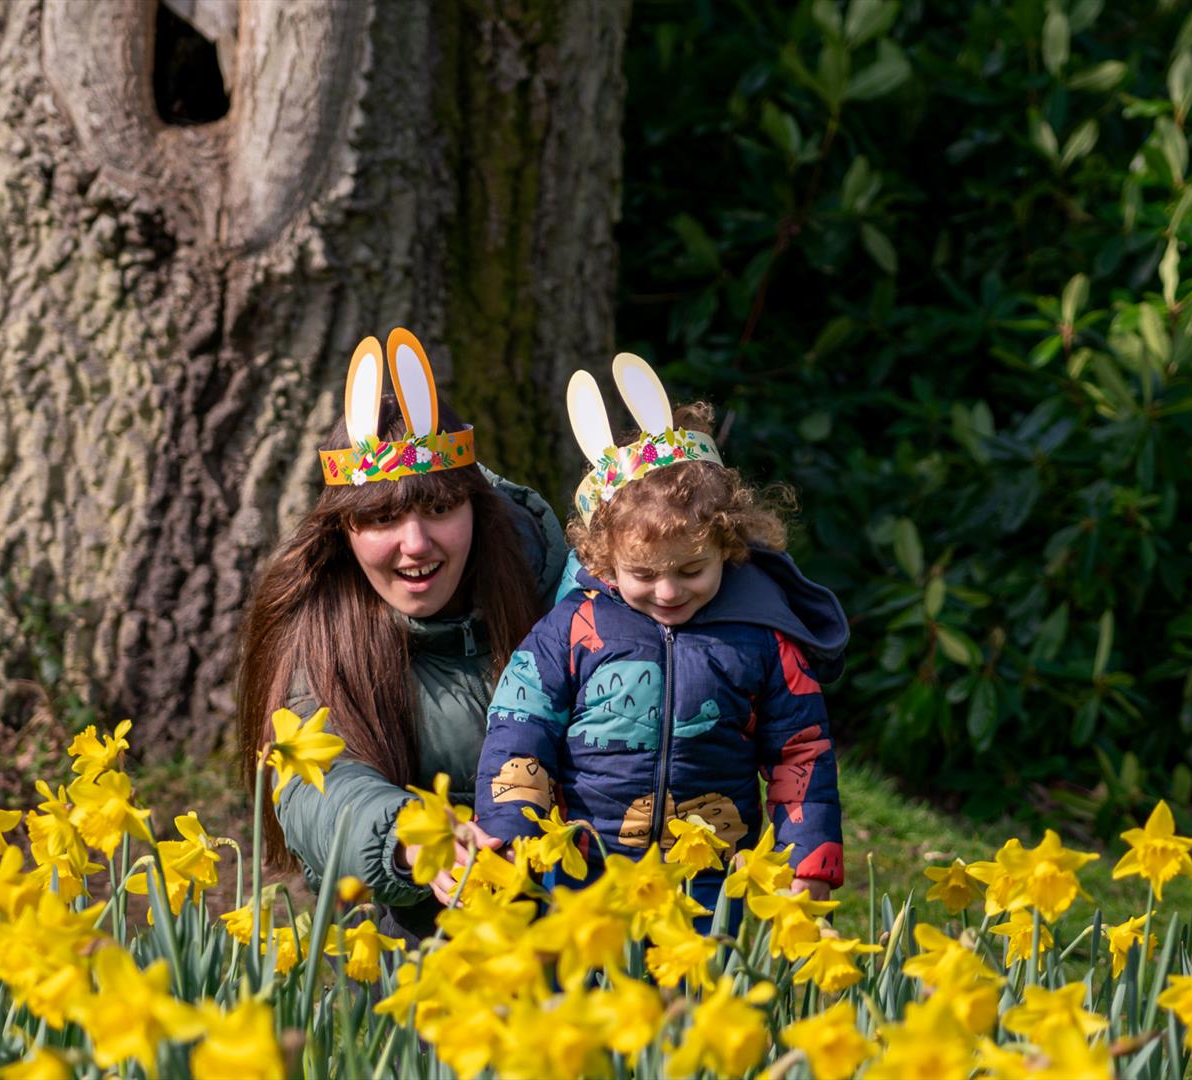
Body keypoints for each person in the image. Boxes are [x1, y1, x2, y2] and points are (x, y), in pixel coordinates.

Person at [473, 354, 847, 916]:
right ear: (603, 557)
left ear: (728, 544)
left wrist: (807, 855)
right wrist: (508, 826)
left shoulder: (762, 637)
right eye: (643, 574)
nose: (668, 592)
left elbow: (801, 749)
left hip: (708, 875)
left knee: (696, 996)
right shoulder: (574, 626)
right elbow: (520, 724)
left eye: (691, 570)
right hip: (587, 869)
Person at [234, 330, 567, 942]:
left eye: (439, 509)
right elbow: (317, 786)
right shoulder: (323, 631)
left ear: (476, 509)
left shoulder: (566, 599)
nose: (415, 544)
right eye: (382, 517)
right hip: (412, 961)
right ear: (344, 532)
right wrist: (405, 836)